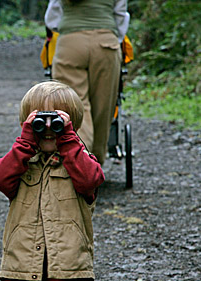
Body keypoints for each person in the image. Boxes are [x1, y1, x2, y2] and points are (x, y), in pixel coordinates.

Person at [0, 81, 104, 281]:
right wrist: (26, 141)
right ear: (27, 125)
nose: (49, 129)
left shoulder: (80, 163)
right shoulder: (21, 164)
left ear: (72, 127)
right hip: (18, 278)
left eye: (58, 123)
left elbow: (91, 179)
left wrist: (68, 140)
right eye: (40, 122)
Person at [45, 0, 130, 165]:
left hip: (70, 43)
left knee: (73, 105)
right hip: (106, 44)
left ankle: (79, 160)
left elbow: (52, 18)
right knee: (103, 108)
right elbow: (120, 15)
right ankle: (95, 161)